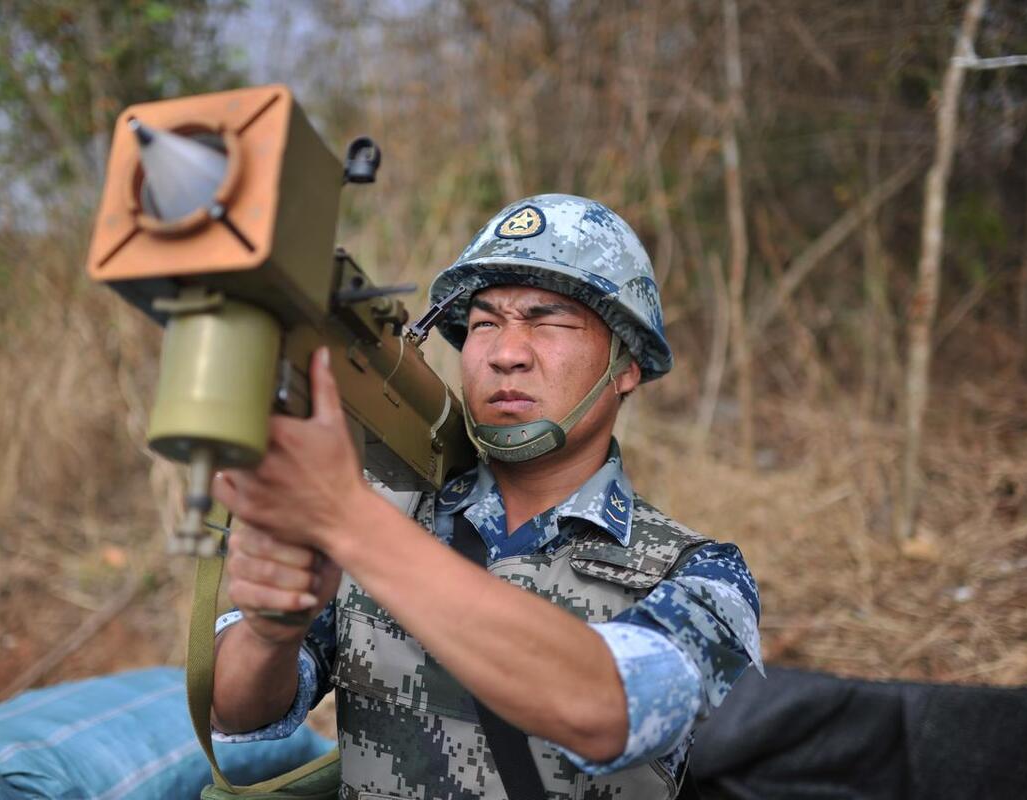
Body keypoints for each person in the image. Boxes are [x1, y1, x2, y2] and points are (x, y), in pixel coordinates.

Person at [208, 194, 763, 799]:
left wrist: (349, 520)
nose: (505, 353)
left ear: (625, 364)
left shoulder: (701, 575)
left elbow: (607, 709)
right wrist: (271, 632)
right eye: (483, 324)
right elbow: (240, 715)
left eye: (548, 321)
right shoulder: (392, 519)